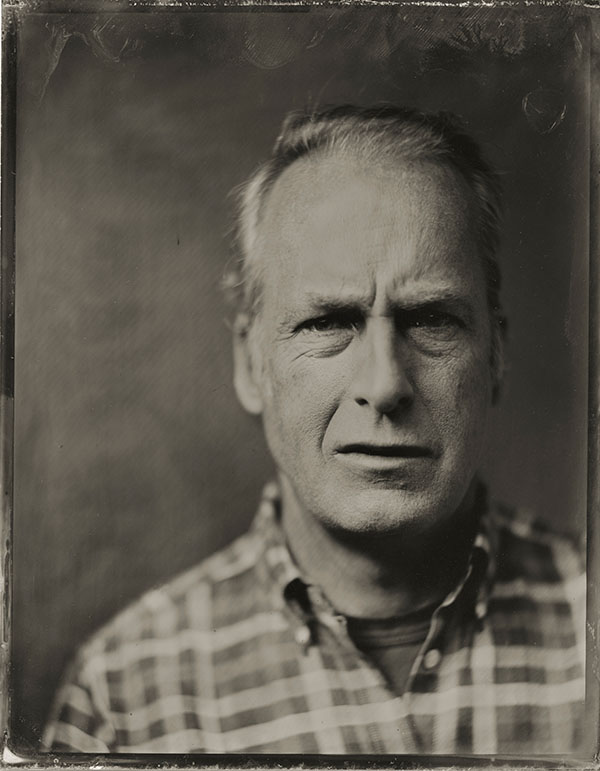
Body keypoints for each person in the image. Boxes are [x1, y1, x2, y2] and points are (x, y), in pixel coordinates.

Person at [42, 105, 585, 755]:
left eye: (431, 319)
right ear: (251, 363)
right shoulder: (121, 700)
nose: (385, 384)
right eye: (328, 322)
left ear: (497, 354)